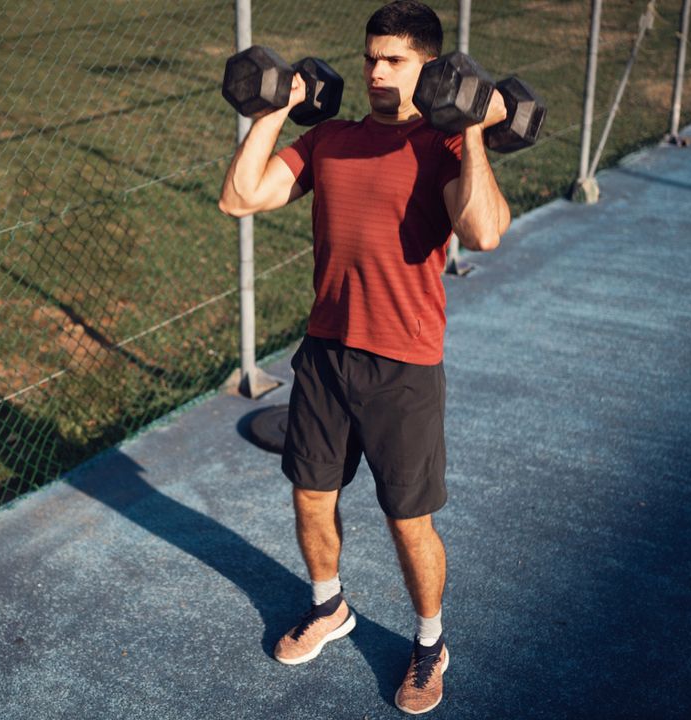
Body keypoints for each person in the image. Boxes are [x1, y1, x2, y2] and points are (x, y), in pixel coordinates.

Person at [218, 0, 509, 714]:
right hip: (324, 353)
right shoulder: (332, 141)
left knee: (407, 519)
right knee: (311, 495)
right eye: (372, 57)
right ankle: (329, 606)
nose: (377, 71)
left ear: (430, 69)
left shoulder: (440, 148)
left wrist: (469, 129)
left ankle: (431, 643)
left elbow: (486, 232)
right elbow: (240, 196)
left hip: (404, 364)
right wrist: (276, 109)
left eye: (395, 60)